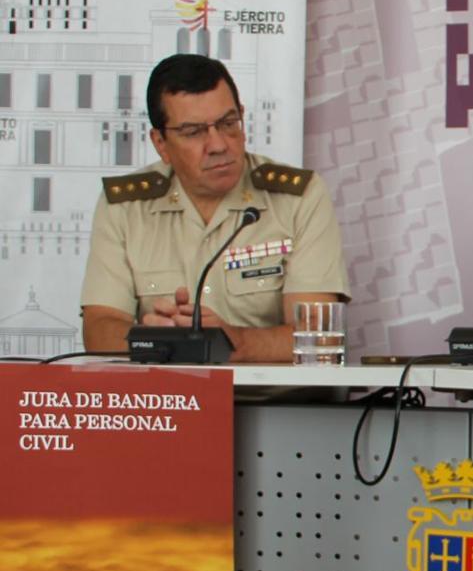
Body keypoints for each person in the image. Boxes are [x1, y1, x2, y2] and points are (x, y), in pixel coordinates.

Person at [81, 54, 349, 362]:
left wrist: (233, 342)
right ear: (161, 143)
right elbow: (98, 330)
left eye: (227, 123)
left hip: (273, 403)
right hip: (172, 403)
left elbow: (320, 339)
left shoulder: (298, 198)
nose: (219, 144)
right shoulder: (125, 207)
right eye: (193, 132)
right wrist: (156, 340)